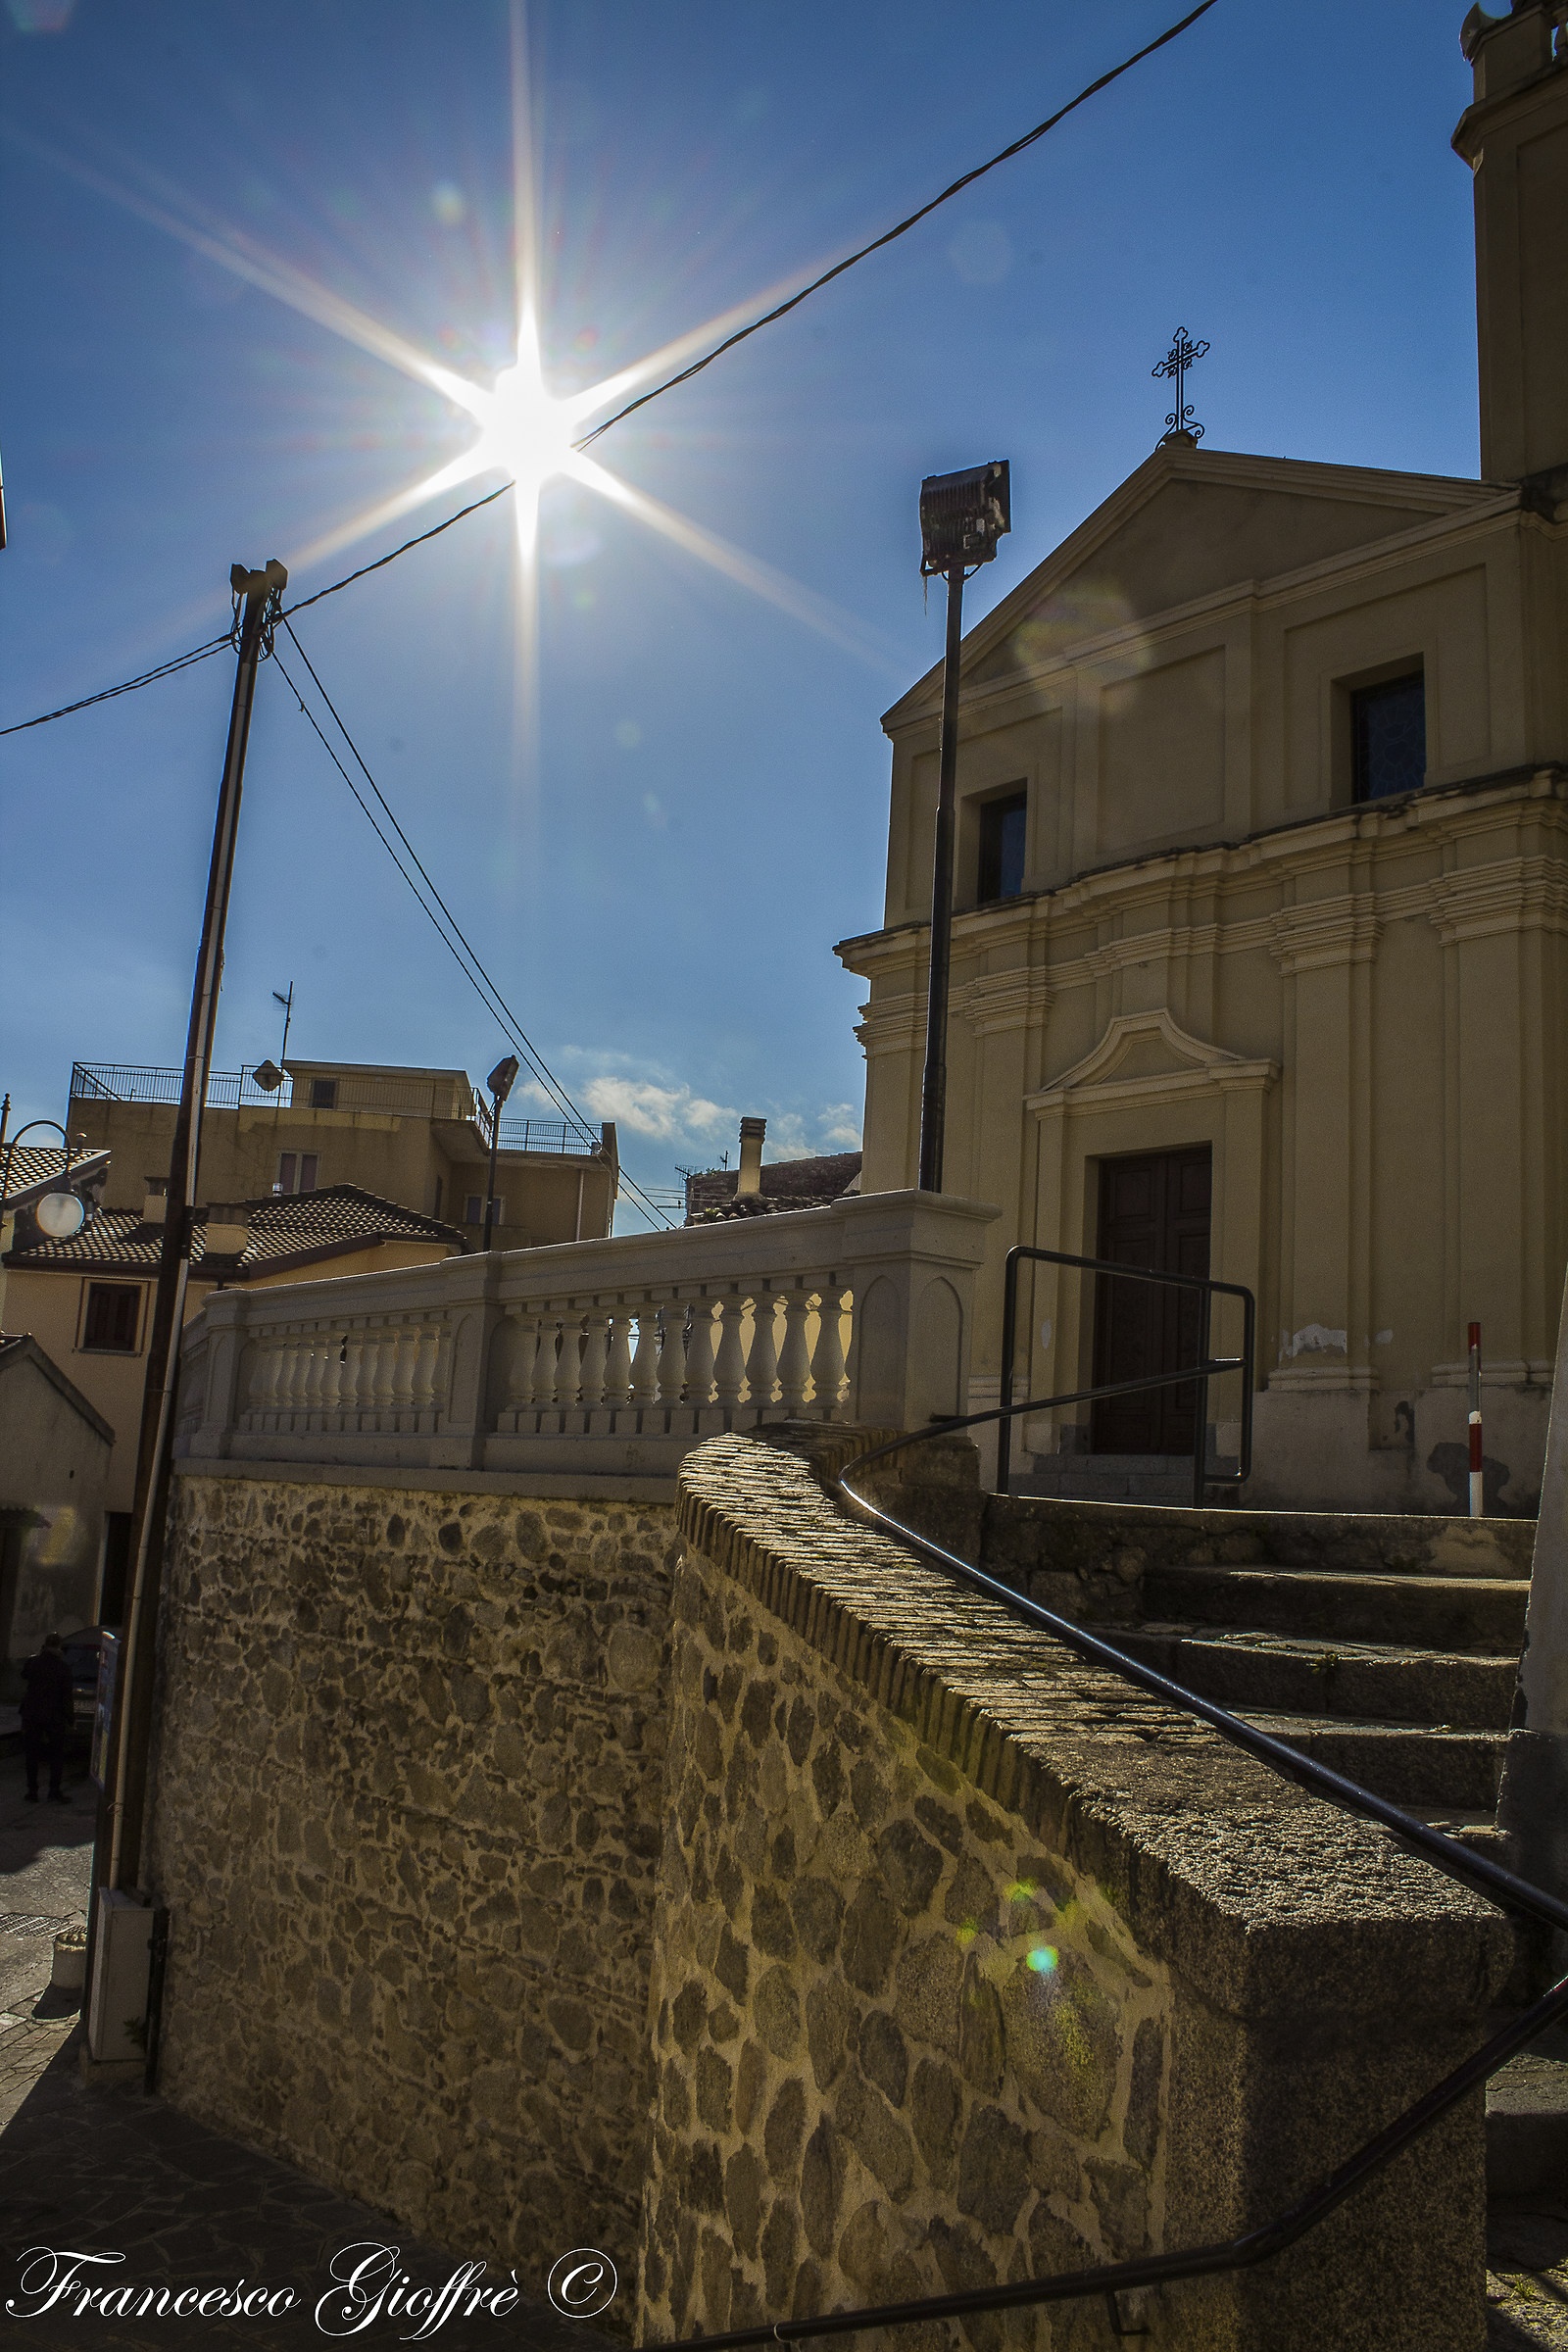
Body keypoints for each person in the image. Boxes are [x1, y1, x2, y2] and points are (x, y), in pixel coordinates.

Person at [21, 1633, 74, 1804]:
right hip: (54, 1715)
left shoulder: (33, 1663)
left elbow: (24, 1674)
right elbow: (66, 1696)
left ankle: (32, 1790)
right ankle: (54, 1790)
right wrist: (70, 1717)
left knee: (32, 1754)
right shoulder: (63, 1667)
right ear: (59, 1647)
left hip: (32, 1714)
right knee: (56, 1754)